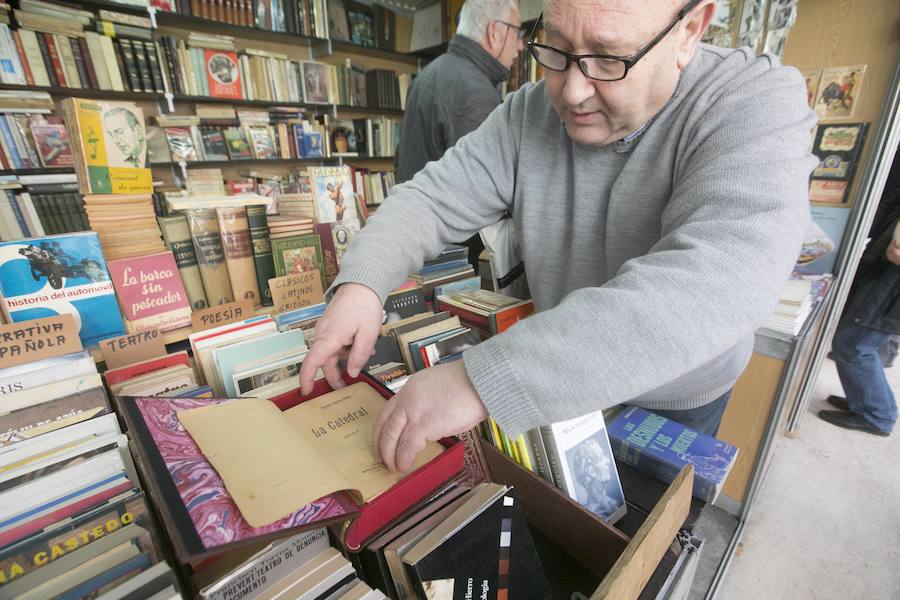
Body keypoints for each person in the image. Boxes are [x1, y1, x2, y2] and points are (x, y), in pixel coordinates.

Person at [299, 0, 816, 473]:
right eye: (556, 48)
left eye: (611, 59)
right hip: (557, 374)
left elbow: (715, 283)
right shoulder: (528, 113)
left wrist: (482, 379)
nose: (571, 91)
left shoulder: (755, 102)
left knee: (640, 544)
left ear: (690, 32)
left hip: (675, 398)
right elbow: (429, 200)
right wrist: (362, 286)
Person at [396, 0, 525, 267]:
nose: (521, 46)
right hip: (454, 255)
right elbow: (481, 191)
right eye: (517, 32)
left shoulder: (429, 73)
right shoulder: (474, 90)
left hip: (421, 237)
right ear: (494, 32)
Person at [819, 182, 900, 437]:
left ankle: (877, 415)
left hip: (891, 289)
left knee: (854, 346)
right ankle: (871, 404)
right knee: (858, 344)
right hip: (884, 281)